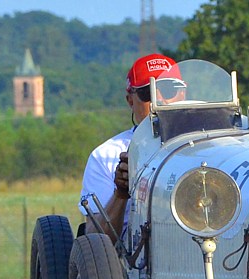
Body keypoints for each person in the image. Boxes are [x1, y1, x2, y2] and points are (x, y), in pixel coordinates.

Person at [79, 53, 184, 242]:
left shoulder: (209, 146)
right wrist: (121, 193)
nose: (159, 100)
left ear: (183, 94)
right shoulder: (106, 155)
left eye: (168, 90)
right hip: (136, 261)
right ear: (130, 101)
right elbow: (96, 242)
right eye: (147, 93)